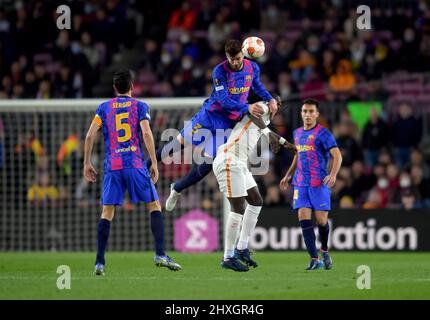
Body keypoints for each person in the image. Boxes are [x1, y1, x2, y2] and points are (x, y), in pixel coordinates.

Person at [146, 39, 278, 211]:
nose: (236, 62)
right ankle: (142, 167)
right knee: (176, 146)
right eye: (232, 59)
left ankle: (177, 189)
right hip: (209, 116)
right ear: (227, 57)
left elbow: (256, 85)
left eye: (238, 58)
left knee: (210, 162)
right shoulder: (220, 71)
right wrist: (247, 107)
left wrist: (270, 99)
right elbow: (223, 101)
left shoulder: (252, 68)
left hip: (228, 123)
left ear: (243, 54)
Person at [83, 69, 181, 276]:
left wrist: (86, 162)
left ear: (114, 88)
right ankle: (160, 254)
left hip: (113, 166)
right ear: (132, 87)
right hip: (135, 164)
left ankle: (99, 263)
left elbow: (90, 134)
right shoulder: (139, 106)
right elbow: (145, 132)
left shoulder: (103, 108)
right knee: (154, 205)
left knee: (107, 213)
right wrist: (154, 161)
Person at [213, 98, 295, 271]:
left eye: (278, 105)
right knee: (238, 208)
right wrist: (270, 135)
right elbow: (253, 115)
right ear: (270, 102)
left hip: (240, 163)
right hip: (229, 160)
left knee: (256, 201)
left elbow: (268, 131)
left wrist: (287, 145)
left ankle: (242, 247)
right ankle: (228, 257)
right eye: (275, 103)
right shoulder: (262, 107)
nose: (276, 107)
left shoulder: (266, 119)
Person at [280, 99, 342, 270]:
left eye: (311, 111)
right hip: (301, 183)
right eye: (304, 111)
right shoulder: (297, 133)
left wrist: (333, 175)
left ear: (317, 114)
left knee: (321, 221)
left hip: (319, 183)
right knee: (303, 217)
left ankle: (324, 250)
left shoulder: (324, 133)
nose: (307, 114)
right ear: (301, 113)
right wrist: (288, 174)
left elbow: (338, 156)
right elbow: (298, 155)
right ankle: (314, 259)